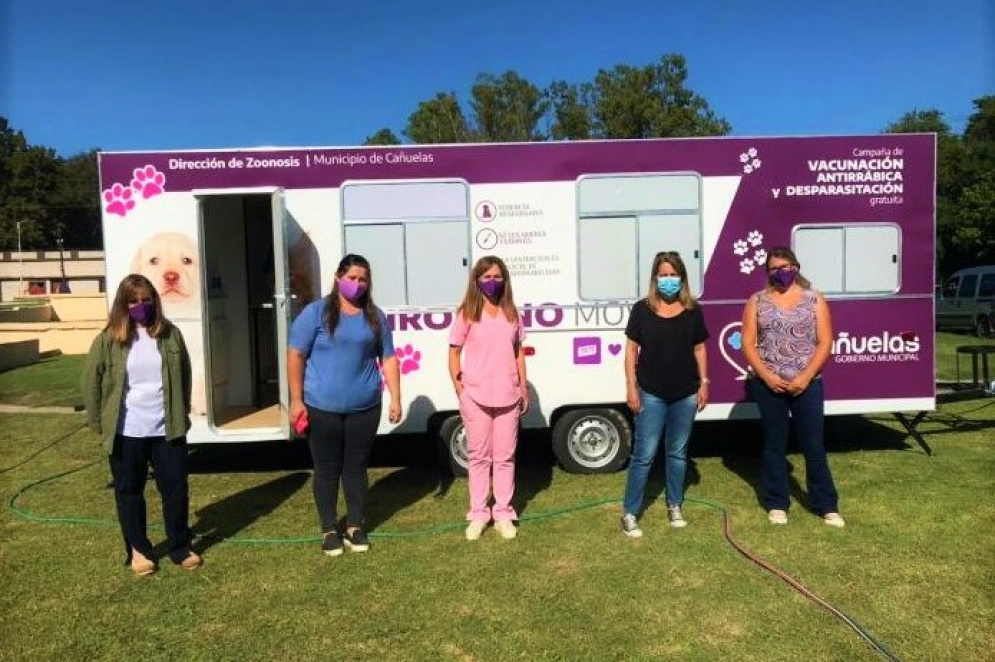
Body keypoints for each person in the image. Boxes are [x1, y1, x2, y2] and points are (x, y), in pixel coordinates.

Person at [81, 274, 202, 576]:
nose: (140, 305)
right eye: (134, 301)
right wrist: (99, 423)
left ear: (154, 301)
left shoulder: (170, 334)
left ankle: (180, 546)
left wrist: (182, 412)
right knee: (129, 491)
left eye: (146, 299)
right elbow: (91, 381)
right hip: (127, 431)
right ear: (123, 304)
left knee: (176, 490)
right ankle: (138, 550)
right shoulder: (108, 339)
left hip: (166, 430)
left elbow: (185, 374)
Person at [288, 254, 402, 556]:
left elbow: (388, 357)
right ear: (338, 278)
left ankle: (354, 526)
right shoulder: (316, 313)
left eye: (363, 279)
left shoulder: (375, 316)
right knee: (326, 469)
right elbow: (296, 355)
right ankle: (329, 529)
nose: (357, 284)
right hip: (321, 408)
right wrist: (296, 400)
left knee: (356, 468)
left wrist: (396, 398)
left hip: (365, 408)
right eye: (352, 278)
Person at [740, 246, 845, 527]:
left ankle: (826, 505)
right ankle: (777, 502)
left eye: (785, 266)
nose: (780, 272)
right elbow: (748, 343)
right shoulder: (757, 301)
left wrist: (805, 377)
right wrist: (766, 376)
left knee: (814, 445)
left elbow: (825, 341)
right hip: (769, 385)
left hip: (807, 384)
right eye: (774, 268)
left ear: (795, 267)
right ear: (768, 272)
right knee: (774, 445)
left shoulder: (814, 299)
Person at [620, 251, 710, 538]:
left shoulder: (693, 310)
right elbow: (631, 350)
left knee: (677, 453)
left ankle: (674, 505)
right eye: (663, 275)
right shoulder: (641, 309)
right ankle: (630, 513)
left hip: (685, 393)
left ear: (681, 278)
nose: (668, 280)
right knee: (644, 454)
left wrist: (704, 383)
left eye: (673, 275)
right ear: (655, 277)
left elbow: (700, 348)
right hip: (651, 393)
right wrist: (631, 386)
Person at [448, 256, 528, 541]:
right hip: (476, 397)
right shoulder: (467, 313)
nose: (492, 281)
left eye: (496, 276)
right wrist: (461, 390)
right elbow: (454, 352)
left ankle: (503, 513)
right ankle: (478, 514)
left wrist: (523, 387)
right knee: (479, 457)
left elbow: (518, 351)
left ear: (504, 279)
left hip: (508, 395)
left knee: (505, 457)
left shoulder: (512, 313)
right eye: (486, 277)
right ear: (477, 281)